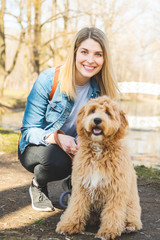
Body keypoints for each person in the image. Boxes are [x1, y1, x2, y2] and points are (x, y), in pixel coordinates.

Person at [18, 27, 119, 212]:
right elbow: (29, 129)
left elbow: (109, 130)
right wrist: (57, 138)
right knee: (57, 162)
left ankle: (77, 185)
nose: (90, 60)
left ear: (104, 59)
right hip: (39, 145)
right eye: (84, 52)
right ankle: (38, 185)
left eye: (98, 54)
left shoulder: (101, 88)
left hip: (78, 147)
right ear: (74, 53)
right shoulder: (49, 79)